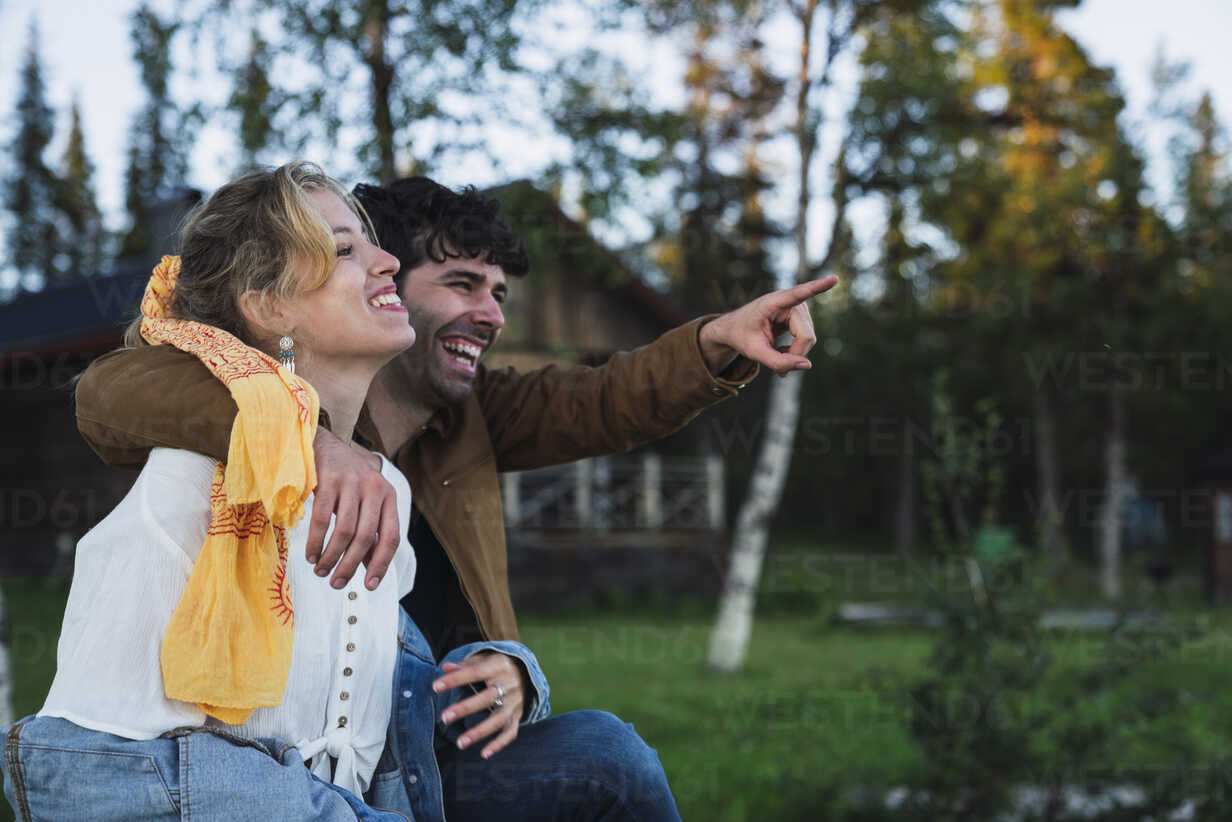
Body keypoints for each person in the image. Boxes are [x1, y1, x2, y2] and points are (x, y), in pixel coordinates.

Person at [73, 176, 837, 819]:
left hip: (428, 738)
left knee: (609, 756)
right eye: (463, 284)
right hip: (287, 769)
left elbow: (609, 398)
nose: (494, 314)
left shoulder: (474, 417)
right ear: (391, 283)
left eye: (499, 292)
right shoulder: (261, 412)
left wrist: (718, 340)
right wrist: (307, 438)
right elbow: (115, 387)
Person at [2, 163, 550, 822]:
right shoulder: (195, 473)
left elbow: (380, 678)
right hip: (157, 793)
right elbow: (88, 776)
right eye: (345, 249)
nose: (385, 263)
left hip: (332, 797)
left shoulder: (386, 489)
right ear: (270, 308)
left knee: (604, 749)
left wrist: (509, 667)